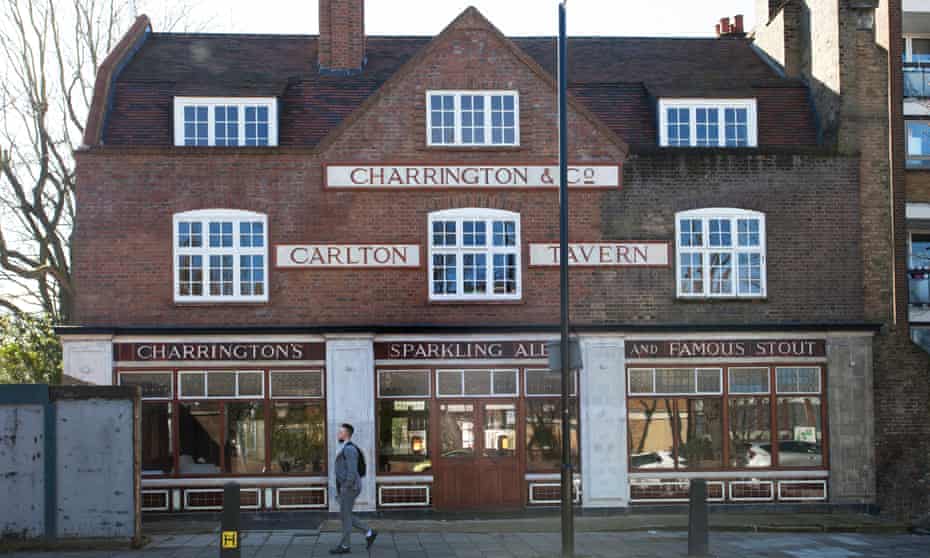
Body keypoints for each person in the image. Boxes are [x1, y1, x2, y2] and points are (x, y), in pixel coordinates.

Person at [330, 423, 377, 554]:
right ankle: (369, 532)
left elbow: (352, 471)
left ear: (346, 434)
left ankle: (345, 546)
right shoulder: (346, 448)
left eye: (340, 432)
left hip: (350, 488)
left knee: (345, 517)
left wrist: (345, 487)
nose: (338, 434)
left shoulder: (349, 449)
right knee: (346, 515)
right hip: (349, 487)